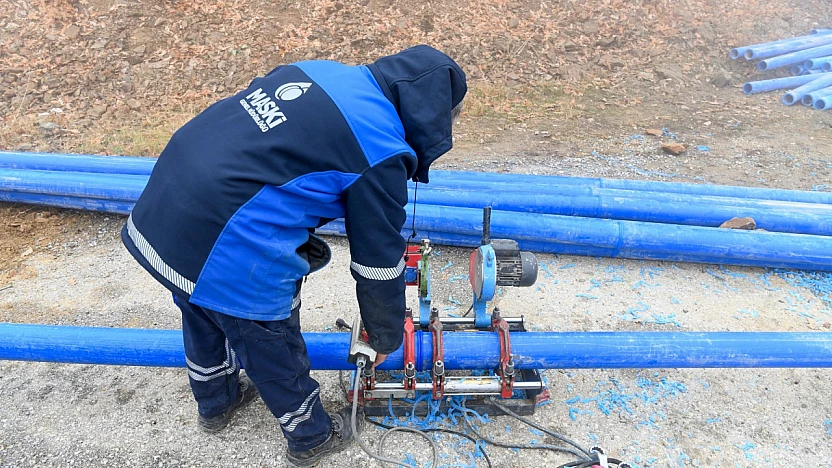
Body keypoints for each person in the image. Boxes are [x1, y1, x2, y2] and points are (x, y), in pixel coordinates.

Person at [121, 44, 467, 466]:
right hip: (226, 232)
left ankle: (216, 402)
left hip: (165, 210)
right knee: (268, 338)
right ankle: (310, 434)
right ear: (433, 115)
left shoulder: (321, 70)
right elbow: (377, 259)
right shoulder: (380, 147)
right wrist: (384, 336)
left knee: (200, 306)